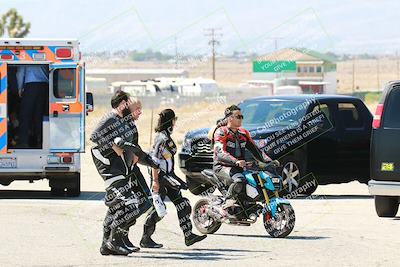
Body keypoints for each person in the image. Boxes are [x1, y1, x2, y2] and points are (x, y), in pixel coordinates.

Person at [90, 90, 159, 256]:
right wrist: (112, 145)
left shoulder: (124, 122)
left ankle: (107, 244)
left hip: (122, 169)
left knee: (118, 206)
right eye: (131, 105)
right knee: (127, 204)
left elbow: (132, 147)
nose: (138, 111)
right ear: (122, 104)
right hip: (112, 169)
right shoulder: (110, 118)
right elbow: (94, 136)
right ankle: (114, 241)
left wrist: (148, 160)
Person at [140, 108, 207, 248]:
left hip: (168, 176)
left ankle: (188, 236)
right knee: (159, 210)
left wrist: (179, 180)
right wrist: (156, 182)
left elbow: (168, 163)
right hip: (160, 178)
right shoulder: (161, 138)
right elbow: (154, 162)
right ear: (170, 121)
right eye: (174, 120)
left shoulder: (166, 136)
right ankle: (145, 239)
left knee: (183, 204)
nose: (175, 122)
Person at [213, 105, 273, 208]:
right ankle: (228, 203)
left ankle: (247, 204)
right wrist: (236, 161)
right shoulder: (221, 132)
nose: (241, 119)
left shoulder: (243, 133)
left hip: (240, 167)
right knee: (240, 180)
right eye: (238, 116)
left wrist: (269, 161)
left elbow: (256, 150)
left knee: (256, 181)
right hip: (222, 167)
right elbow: (219, 153)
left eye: (242, 116)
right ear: (230, 118)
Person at [16, 65, 49, 148]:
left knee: (25, 115)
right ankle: (40, 141)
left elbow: (20, 73)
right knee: (39, 115)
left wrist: (19, 88)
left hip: (30, 86)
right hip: (44, 86)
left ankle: (23, 142)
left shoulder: (24, 54)